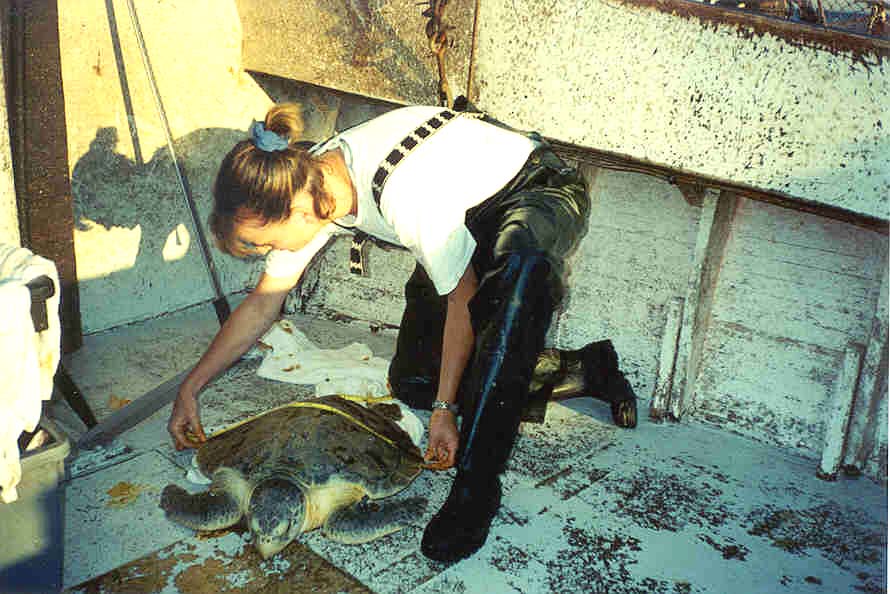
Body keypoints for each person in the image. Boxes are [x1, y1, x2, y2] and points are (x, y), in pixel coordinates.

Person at [167, 102, 637, 563]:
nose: (262, 253)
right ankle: (582, 370)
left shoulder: (406, 200)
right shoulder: (309, 178)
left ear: (296, 211)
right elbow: (264, 301)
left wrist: (446, 411)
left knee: (514, 290)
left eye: (264, 242)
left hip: (536, 191)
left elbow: (461, 301)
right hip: (462, 214)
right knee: (414, 383)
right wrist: (191, 387)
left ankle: (476, 489)